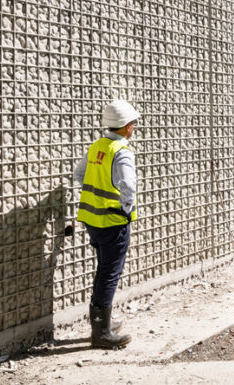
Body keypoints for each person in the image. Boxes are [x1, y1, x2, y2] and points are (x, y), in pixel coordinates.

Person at [74, 100, 139, 349]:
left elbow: (79, 175)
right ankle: (101, 333)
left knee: (104, 270)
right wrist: (125, 208)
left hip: (93, 220)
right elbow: (129, 186)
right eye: (133, 123)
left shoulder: (96, 147)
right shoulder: (121, 152)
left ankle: (104, 324)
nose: (134, 127)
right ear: (125, 126)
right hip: (112, 220)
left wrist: (97, 197)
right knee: (109, 273)